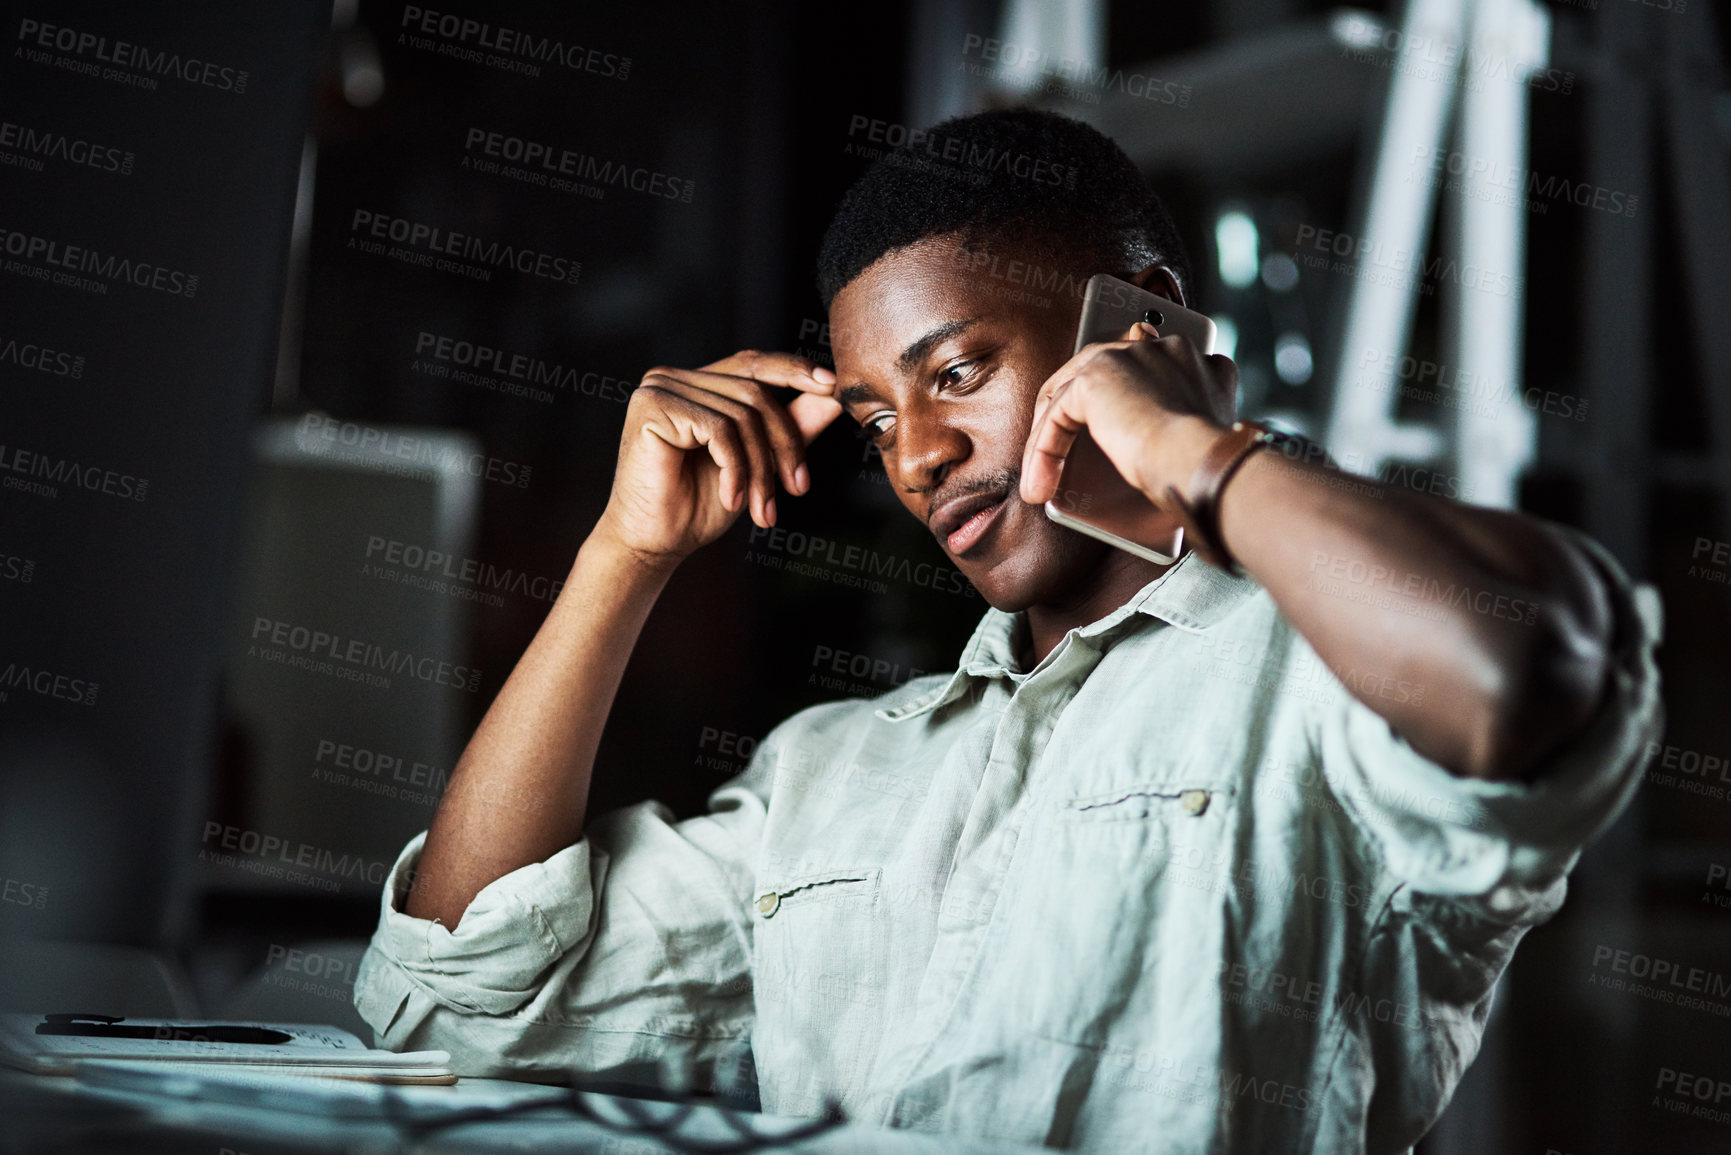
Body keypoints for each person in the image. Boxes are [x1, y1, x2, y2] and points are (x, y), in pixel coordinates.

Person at [354, 109, 1662, 1153]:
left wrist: (1191, 446)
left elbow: (1523, 668)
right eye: (874, 420)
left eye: (957, 374)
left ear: (1148, 319)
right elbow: (455, 1005)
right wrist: (621, 559)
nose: (915, 458)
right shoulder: (831, 773)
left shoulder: (1322, 683)